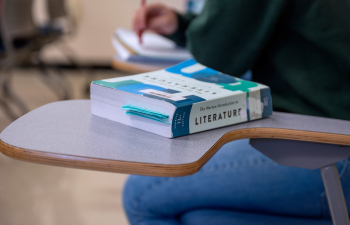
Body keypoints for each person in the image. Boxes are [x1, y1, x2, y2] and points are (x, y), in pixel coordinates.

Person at [123, 1, 350, 224]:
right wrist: (180, 26)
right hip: (328, 139)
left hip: (330, 152)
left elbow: (212, 60)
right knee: (199, 218)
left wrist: (198, 33)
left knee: (141, 194)